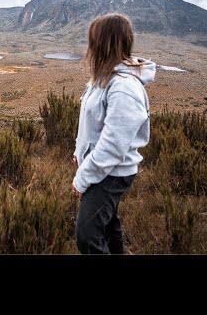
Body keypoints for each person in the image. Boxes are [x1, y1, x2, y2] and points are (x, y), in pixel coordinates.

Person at [71, 13, 155, 254]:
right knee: (108, 227)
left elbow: (113, 145)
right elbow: (93, 125)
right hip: (102, 168)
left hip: (110, 173)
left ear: (106, 44)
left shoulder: (123, 87)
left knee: (87, 235)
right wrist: (79, 152)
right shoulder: (103, 79)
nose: (90, 48)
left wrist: (82, 178)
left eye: (94, 41)